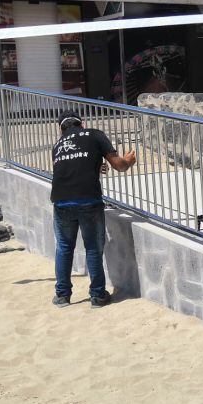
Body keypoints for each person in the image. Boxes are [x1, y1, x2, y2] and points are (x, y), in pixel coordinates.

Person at [50, 109, 138, 308]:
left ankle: (62, 296)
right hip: (88, 199)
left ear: (61, 129)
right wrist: (129, 161)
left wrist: (95, 165)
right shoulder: (95, 134)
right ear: (82, 124)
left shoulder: (57, 145)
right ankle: (97, 296)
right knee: (92, 248)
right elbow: (119, 165)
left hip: (61, 201)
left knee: (64, 247)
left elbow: (69, 168)